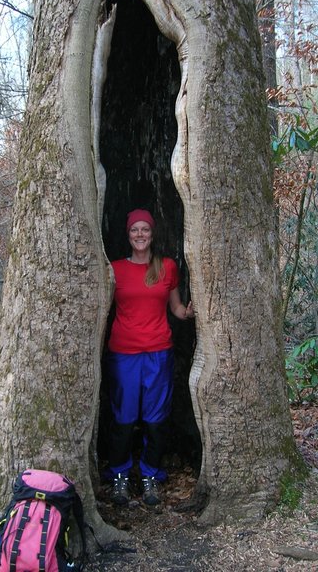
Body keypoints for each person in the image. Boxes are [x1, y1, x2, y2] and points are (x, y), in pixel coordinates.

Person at [106, 209, 194, 506]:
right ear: (128, 235)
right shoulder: (114, 269)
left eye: (145, 229)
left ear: (152, 233)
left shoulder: (166, 267)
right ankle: (119, 475)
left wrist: (191, 311)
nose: (140, 235)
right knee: (124, 417)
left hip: (158, 351)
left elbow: (177, 309)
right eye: (135, 230)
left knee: (155, 417)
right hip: (124, 353)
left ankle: (150, 475)